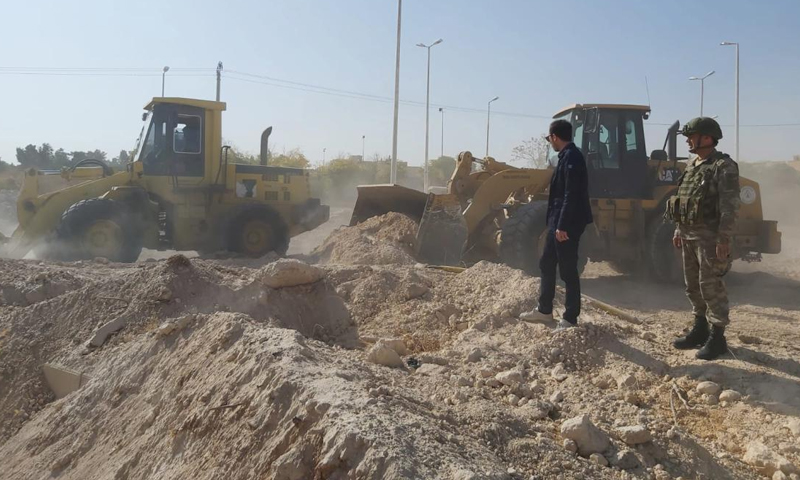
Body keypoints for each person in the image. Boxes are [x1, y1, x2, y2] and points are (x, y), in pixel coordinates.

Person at [666, 117, 739, 361]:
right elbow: (683, 200)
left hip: (709, 238)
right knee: (693, 286)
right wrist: (678, 229)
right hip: (688, 235)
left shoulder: (723, 166)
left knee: (711, 287)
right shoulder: (693, 165)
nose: (688, 140)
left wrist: (724, 239)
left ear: (707, 138)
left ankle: (717, 337)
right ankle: (700, 328)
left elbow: (729, 206)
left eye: (692, 135)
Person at [520, 119, 593, 329]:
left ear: (554, 137)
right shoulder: (564, 157)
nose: (550, 141)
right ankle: (544, 311)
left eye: (549, 138)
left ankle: (570, 317)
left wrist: (562, 226)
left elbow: (571, 195)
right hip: (557, 223)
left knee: (568, 270)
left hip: (566, 224)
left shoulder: (573, 158)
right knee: (546, 263)